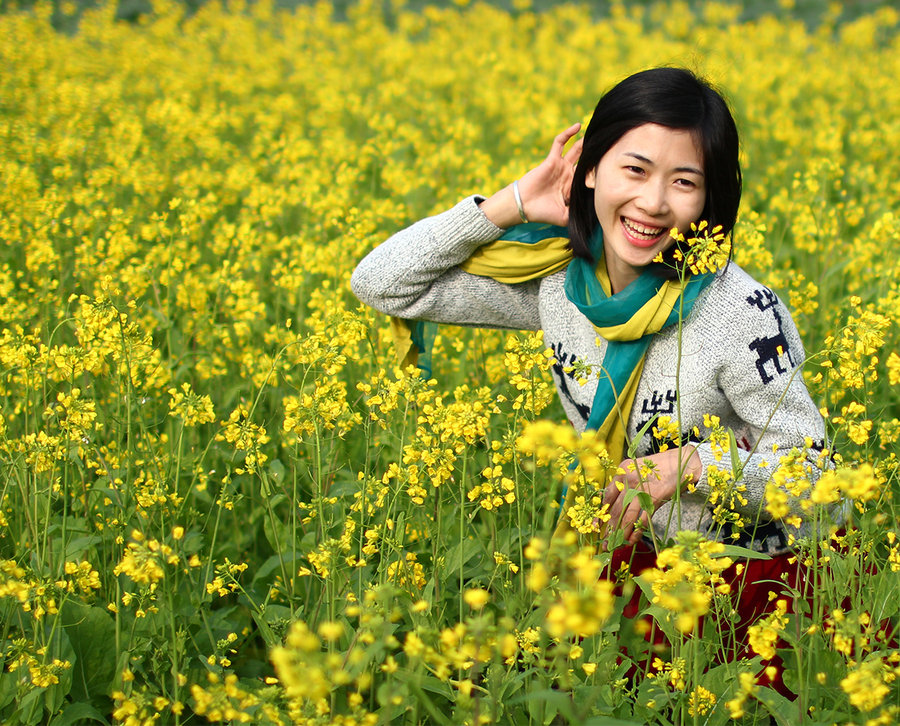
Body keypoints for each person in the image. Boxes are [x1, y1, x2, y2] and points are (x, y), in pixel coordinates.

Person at [351, 68, 833, 632]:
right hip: (625, 557)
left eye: (684, 182)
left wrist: (697, 464)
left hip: (753, 580)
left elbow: (816, 475)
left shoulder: (739, 314)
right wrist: (511, 204)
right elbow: (382, 283)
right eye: (634, 169)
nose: (652, 202)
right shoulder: (558, 282)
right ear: (589, 170)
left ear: (709, 198)